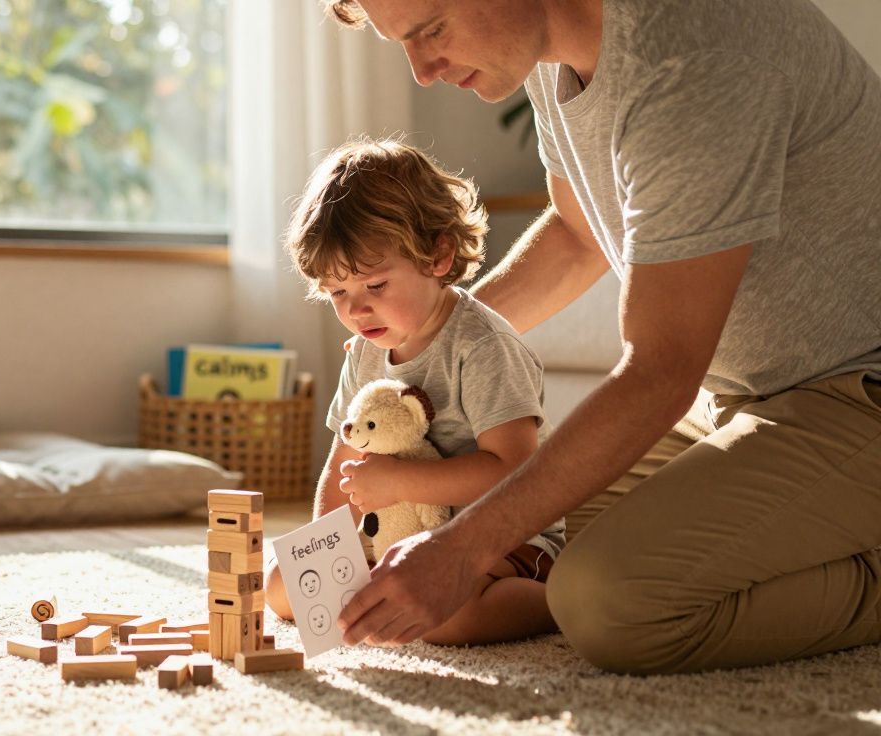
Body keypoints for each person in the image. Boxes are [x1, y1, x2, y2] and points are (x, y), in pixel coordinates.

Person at [324, 0, 881, 674]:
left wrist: (462, 550)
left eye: (432, 29)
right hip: (733, 401)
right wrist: (424, 346)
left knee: (602, 601)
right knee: (540, 541)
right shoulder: (543, 49)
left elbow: (661, 368)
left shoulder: (689, 52)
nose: (420, 70)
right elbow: (577, 235)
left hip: (852, 396)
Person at [264, 136, 565, 646]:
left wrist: (402, 482)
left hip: (501, 539)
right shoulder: (363, 350)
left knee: (448, 622)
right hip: (399, 532)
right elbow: (343, 466)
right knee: (277, 587)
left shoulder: (483, 347)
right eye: (339, 293)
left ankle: (558, 603)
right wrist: (329, 549)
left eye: (375, 287)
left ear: (438, 256)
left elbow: (513, 473)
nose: (357, 311)